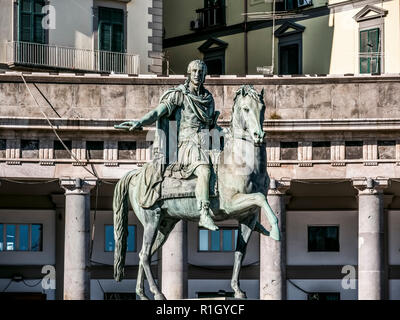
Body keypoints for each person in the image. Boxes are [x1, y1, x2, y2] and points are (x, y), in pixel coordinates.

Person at [119, 60, 219, 231]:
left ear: (205, 75)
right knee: (204, 169)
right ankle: (203, 213)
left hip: (205, 141)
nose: (197, 74)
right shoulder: (179, 95)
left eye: (201, 71)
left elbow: (209, 125)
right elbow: (158, 112)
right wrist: (141, 121)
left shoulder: (208, 99)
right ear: (189, 73)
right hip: (186, 145)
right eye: (194, 71)